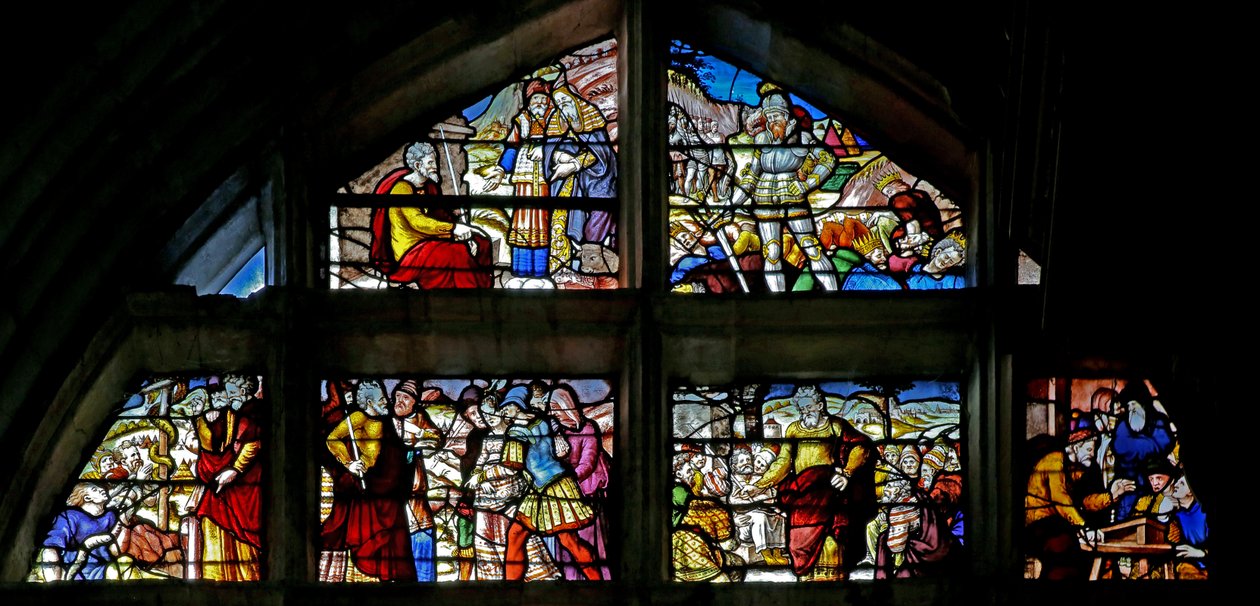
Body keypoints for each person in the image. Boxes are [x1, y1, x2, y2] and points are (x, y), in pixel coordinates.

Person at [748, 385, 876, 581]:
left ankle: (833, 578)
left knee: (831, 536)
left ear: (819, 405)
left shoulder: (835, 426)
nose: (805, 412)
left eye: (808, 407)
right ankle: (807, 579)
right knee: (799, 537)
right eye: (801, 408)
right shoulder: (793, 429)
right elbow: (784, 461)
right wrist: (760, 484)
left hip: (829, 490)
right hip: (802, 491)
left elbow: (861, 446)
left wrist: (847, 473)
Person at [728, 84, 839, 292]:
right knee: (771, 253)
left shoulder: (803, 138)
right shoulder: (761, 140)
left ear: (787, 116)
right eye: (769, 118)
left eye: (777, 116)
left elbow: (828, 159)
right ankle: (776, 302)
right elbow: (752, 175)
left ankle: (833, 296)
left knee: (812, 248)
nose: (773, 122)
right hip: (764, 200)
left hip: (794, 198)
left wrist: (808, 184)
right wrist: (732, 205)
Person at [494, 385, 603, 580]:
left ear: (518, 406)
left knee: (566, 541)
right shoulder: (542, 421)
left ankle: (598, 582)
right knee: (522, 535)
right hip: (550, 485)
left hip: (549, 487)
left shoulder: (516, 431)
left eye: (507, 407)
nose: (503, 412)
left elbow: (513, 463)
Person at [320, 380, 416, 581]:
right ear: (369, 402)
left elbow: (393, 453)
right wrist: (349, 464)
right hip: (367, 485)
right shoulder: (358, 417)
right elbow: (332, 439)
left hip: (386, 485)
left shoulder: (385, 421)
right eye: (381, 400)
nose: (385, 402)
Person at [369, 141, 494, 288]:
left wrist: (460, 227)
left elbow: (440, 216)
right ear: (417, 165)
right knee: (457, 252)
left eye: (435, 161)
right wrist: (453, 229)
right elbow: (418, 222)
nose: (435, 166)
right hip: (411, 249)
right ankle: (468, 293)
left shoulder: (430, 187)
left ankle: (482, 288)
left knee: (481, 241)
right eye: (430, 162)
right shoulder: (402, 189)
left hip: (431, 240)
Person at [1024, 423, 1135, 580]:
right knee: (1063, 550)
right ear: (1075, 447)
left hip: (1059, 524)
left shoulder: (1076, 471)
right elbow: (1060, 499)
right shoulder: (1054, 460)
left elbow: (1084, 503)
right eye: (1089, 449)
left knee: (1092, 557)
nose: (1092, 454)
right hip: (1039, 524)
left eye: (1094, 450)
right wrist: (1083, 527)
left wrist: (1111, 495)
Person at [190, 381, 263, 580]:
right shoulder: (230, 415)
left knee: (246, 545)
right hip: (227, 486)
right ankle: (217, 578)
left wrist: (236, 469)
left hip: (250, 486)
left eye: (231, 392)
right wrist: (202, 420)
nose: (228, 398)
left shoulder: (254, 413)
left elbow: (254, 444)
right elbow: (212, 452)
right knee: (210, 516)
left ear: (244, 391)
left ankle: (248, 579)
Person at [544, 383, 612, 579]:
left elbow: (588, 463)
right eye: (550, 409)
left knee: (589, 543)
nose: (552, 413)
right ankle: (570, 581)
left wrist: (566, 480)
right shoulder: (553, 431)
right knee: (566, 547)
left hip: (586, 495)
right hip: (561, 497)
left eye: (555, 408)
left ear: (566, 406)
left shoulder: (587, 428)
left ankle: (599, 583)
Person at [389, 380, 441, 582]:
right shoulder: (385, 420)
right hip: (389, 494)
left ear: (414, 402)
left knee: (422, 534)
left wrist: (418, 435)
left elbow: (436, 438)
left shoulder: (419, 418)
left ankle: (424, 586)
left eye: (406, 397)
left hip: (415, 492)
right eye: (398, 396)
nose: (400, 401)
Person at [1109, 382, 1174, 521]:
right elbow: (1121, 447)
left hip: (1155, 480)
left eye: (1134, 405)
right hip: (1130, 483)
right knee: (1123, 520)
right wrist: (1149, 443)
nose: (1131, 410)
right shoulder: (1123, 424)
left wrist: (1138, 443)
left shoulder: (1158, 421)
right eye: (1128, 406)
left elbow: (1165, 443)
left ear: (1143, 405)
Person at [37, 482, 121, 581]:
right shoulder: (70, 517)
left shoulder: (111, 517)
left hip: (108, 568)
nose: (102, 490)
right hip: (78, 572)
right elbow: (51, 547)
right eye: (95, 489)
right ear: (87, 498)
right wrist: (54, 583)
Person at [728, 447, 788, 566]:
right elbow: (731, 501)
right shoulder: (733, 481)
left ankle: (777, 553)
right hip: (743, 520)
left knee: (779, 518)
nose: (746, 463)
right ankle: (766, 554)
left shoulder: (759, 479)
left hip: (764, 511)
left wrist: (759, 497)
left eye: (748, 460)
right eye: (742, 461)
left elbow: (771, 494)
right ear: (734, 466)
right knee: (760, 518)